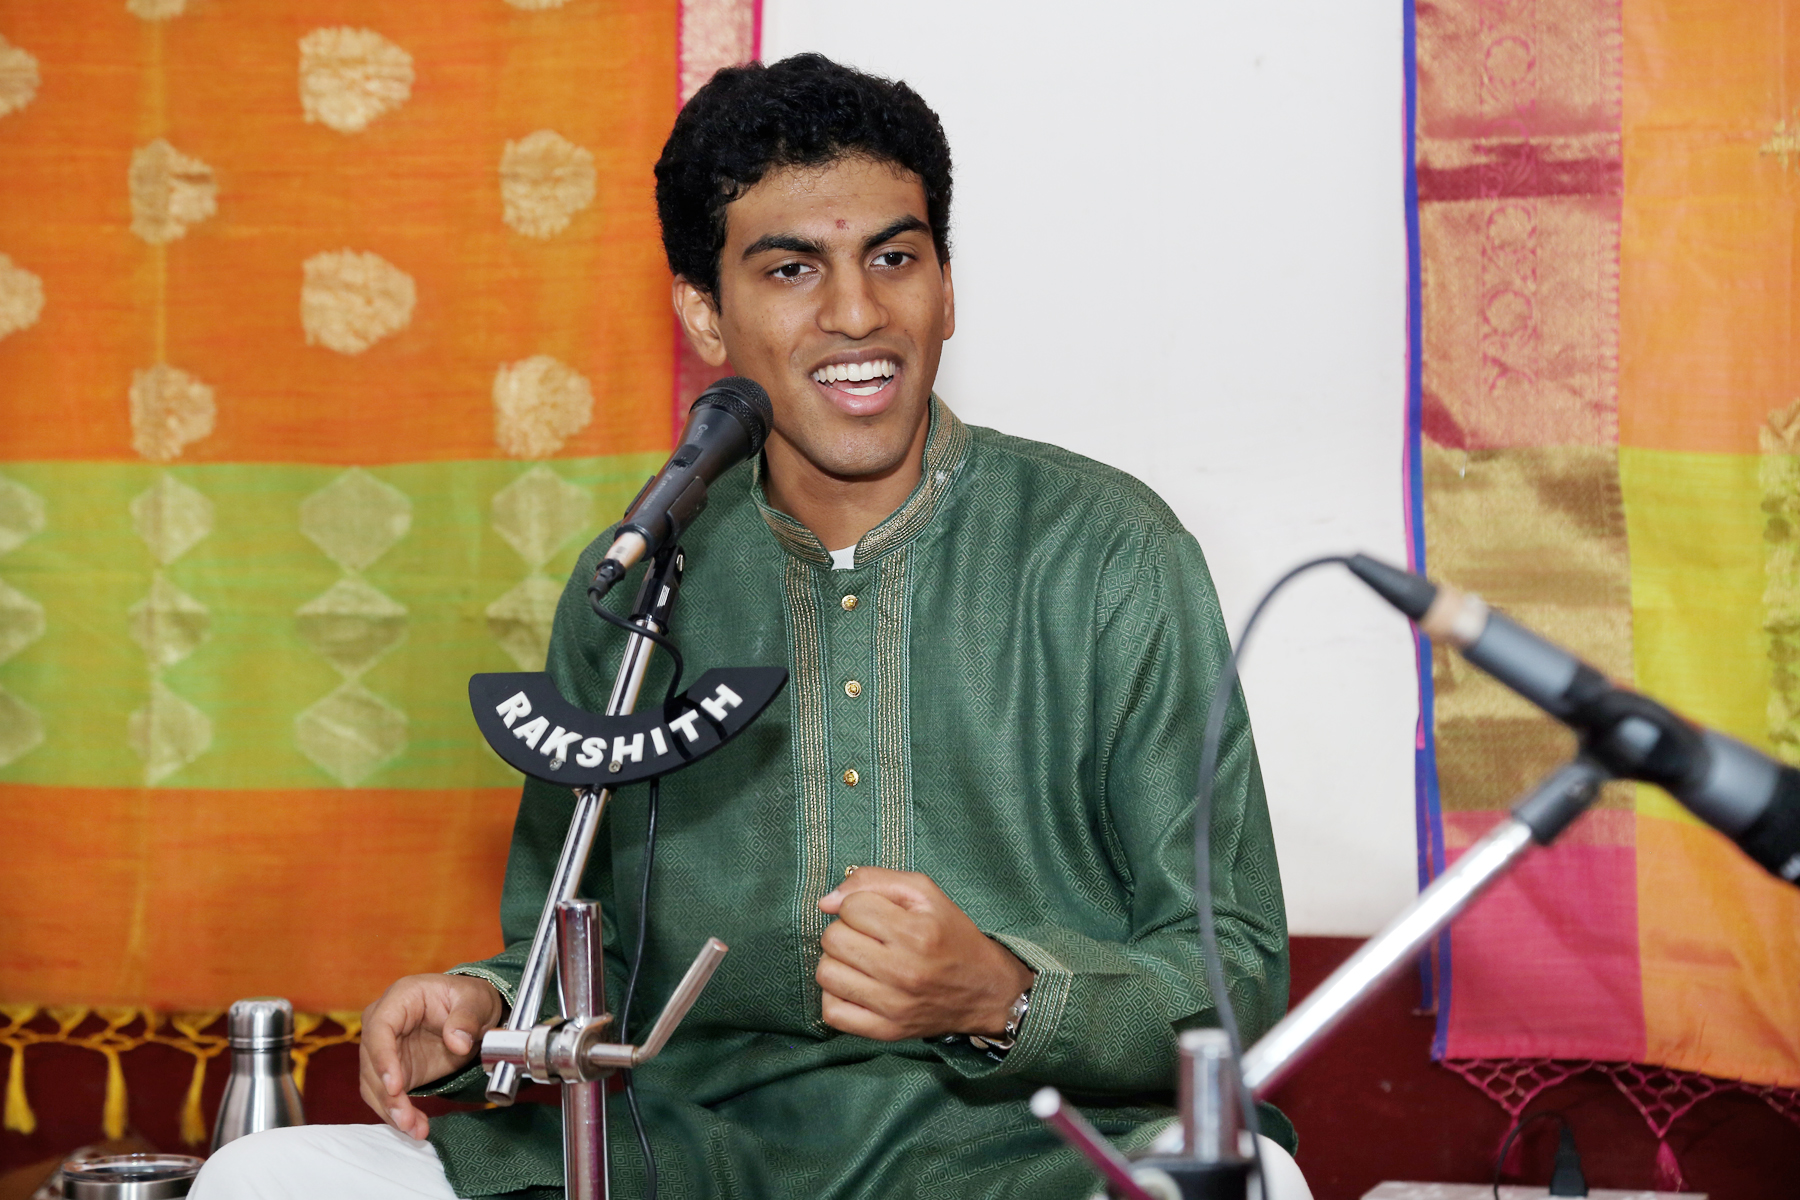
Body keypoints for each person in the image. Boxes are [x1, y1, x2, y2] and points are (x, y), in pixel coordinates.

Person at [194, 53, 1300, 1200]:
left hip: (1027, 1156)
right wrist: (485, 1011)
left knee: (1252, 1180)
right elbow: (584, 944)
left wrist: (1003, 992)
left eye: (894, 257)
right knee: (267, 1175)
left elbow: (1238, 968)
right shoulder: (635, 582)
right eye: (790, 269)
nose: (857, 312)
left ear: (947, 285)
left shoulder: (1109, 552)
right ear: (705, 315)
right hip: (692, 1153)